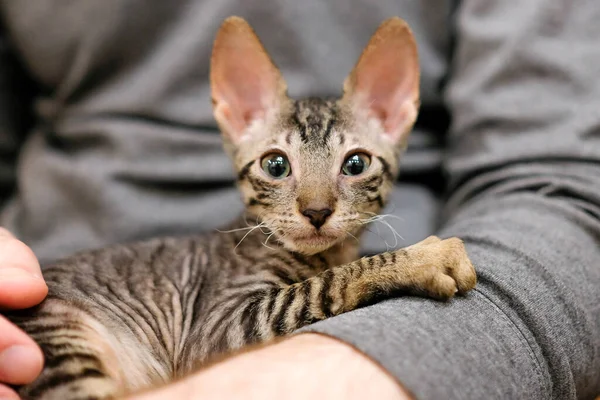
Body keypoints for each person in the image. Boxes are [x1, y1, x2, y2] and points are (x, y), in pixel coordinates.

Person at [1, 1, 599, 399]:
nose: (315, 203)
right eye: (278, 166)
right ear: (237, 121)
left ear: (393, 117)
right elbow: (225, 339)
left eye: (354, 165)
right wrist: (383, 270)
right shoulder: (245, 262)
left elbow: (562, 181)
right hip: (52, 324)